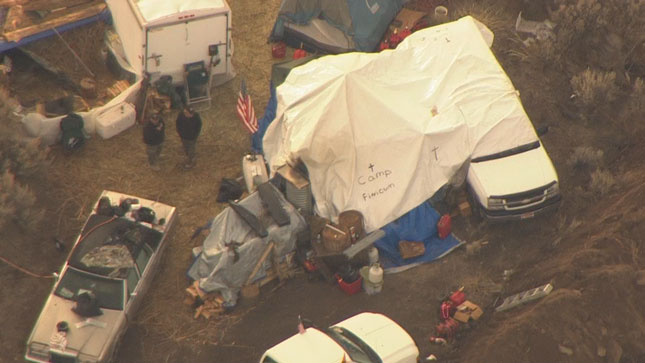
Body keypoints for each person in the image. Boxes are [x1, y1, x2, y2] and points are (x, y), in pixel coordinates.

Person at [175, 105, 202, 169]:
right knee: (186, 147)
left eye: (192, 114)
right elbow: (178, 124)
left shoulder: (196, 116)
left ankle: (192, 162)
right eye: (189, 114)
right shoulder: (181, 115)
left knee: (191, 150)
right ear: (185, 112)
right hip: (183, 136)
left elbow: (199, 126)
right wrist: (180, 133)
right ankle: (188, 157)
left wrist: (195, 135)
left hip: (192, 138)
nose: (191, 115)